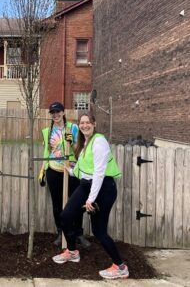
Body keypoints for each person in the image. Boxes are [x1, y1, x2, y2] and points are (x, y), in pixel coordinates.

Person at [52, 113, 129, 280]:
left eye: (88, 122)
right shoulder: (85, 142)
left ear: (94, 124)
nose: (84, 125)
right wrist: (70, 170)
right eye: (82, 122)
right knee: (65, 216)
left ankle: (121, 266)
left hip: (103, 189)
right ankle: (72, 252)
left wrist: (90, 199)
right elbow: (84, 169)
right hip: (87, 185)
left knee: (99, 231)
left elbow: (99, 174)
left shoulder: (99, 141)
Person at [38, 102, 90, 248]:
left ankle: (78, 233)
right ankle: (60, 232)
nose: (55, 115)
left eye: (58, 112)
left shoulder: (73, 128)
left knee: (77, 202)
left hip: (71, 170)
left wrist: (71, 141)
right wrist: (42, 170)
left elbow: (79, 149)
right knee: (57, 204)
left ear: (63, 112)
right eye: (53, 112)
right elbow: (47, 152)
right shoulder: (47, 131)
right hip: (53, 170)